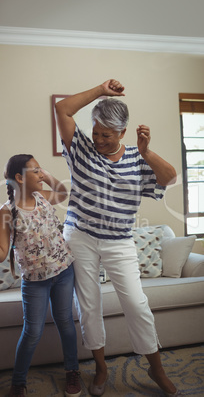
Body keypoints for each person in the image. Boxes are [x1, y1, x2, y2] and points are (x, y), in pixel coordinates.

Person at [55, 79, 182, 397]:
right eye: (96, 132)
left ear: (122, 134)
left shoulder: (138, 160)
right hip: (80, 236)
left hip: (119, 240)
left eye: (106, 135)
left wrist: (147, 152)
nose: (98, 139)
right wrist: (99, 90)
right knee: (89, 304)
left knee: (137, 304)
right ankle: (100, 367)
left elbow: (170, 177)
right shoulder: (81, 148)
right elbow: (62, 109)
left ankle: (156, 368)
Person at [0, 154, 82, 397]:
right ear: (19, 178)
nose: (40, 174)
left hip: (64, 271)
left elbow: (62, 193)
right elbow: (1, 253)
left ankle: (72, 371)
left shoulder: (43, 197)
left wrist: (46, 175)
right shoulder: (7, 212)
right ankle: (18, 382)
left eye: (40, 170)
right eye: (35, 171)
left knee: (66, 322)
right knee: (32, 331)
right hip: (35, 282)